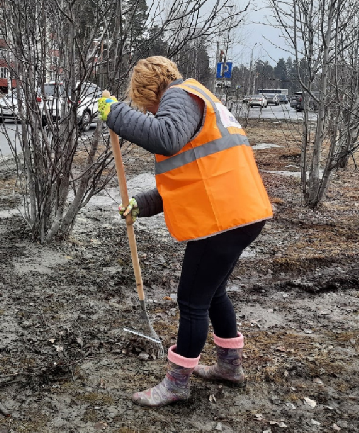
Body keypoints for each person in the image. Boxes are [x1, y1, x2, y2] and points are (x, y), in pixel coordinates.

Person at [97, 56, 273, 407]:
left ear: (148, 89)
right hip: (241, 211)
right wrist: (142, 204)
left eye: (141, 101)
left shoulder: (179, 96)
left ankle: (176, 385)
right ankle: (229, 367)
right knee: (213, 292)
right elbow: (193, 174)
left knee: (192, 300)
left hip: (222, 218)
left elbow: (165, 138)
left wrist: (115, 113)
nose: (145, 110)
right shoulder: (201, 99)